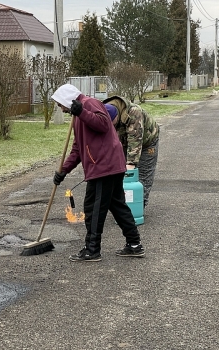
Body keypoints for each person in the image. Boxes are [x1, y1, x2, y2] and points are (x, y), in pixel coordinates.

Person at [51, 84, 145, 262]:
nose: (60, 108)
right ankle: (134, 244)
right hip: (109, 165)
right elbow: (77, 149)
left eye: (60, 104)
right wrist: (63, 170)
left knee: (93, 208)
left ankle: (92, 249)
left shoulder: (89, 103)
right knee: (117, 206)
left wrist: (82, 113)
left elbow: (103, 124)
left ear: (67, 100)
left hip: (104, 166)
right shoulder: (77, 116)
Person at [103, 96, 159, 207]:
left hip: (147, 141)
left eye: (112, 124)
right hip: (124, 141)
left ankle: (139, 204)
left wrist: (130, 164)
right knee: (118, 172)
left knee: (143, 174)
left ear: (117, 116)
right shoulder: (101, 112)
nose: (111, 127)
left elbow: (135, 142)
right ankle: (123, 204)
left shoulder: (134, 113)